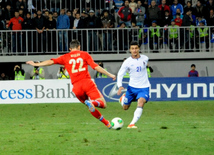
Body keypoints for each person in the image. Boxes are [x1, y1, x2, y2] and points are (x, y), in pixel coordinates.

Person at [26, 40, 116, 129]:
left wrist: (36, 64)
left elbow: (51, 62)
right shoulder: (84, 54)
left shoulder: (66, 57)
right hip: (86, 82)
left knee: (89, 106)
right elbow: (95, 66)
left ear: (70, 48)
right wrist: (109, 74)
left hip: (76, 88)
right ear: (79, 47)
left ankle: (107, 123)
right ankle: (93, 102)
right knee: (102, 104)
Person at [117, 41, 150, 129]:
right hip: (132, 88)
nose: (134, 50)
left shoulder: (145, 58)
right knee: (125, 107)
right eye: (132, 49)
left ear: (139, 49)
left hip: (144, 87)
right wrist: (119, 86)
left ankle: (132, 123)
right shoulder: (127, 62)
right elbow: (120, 74)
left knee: (141, 102)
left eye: (136, 48)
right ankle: (123, 99)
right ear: (130, 50)